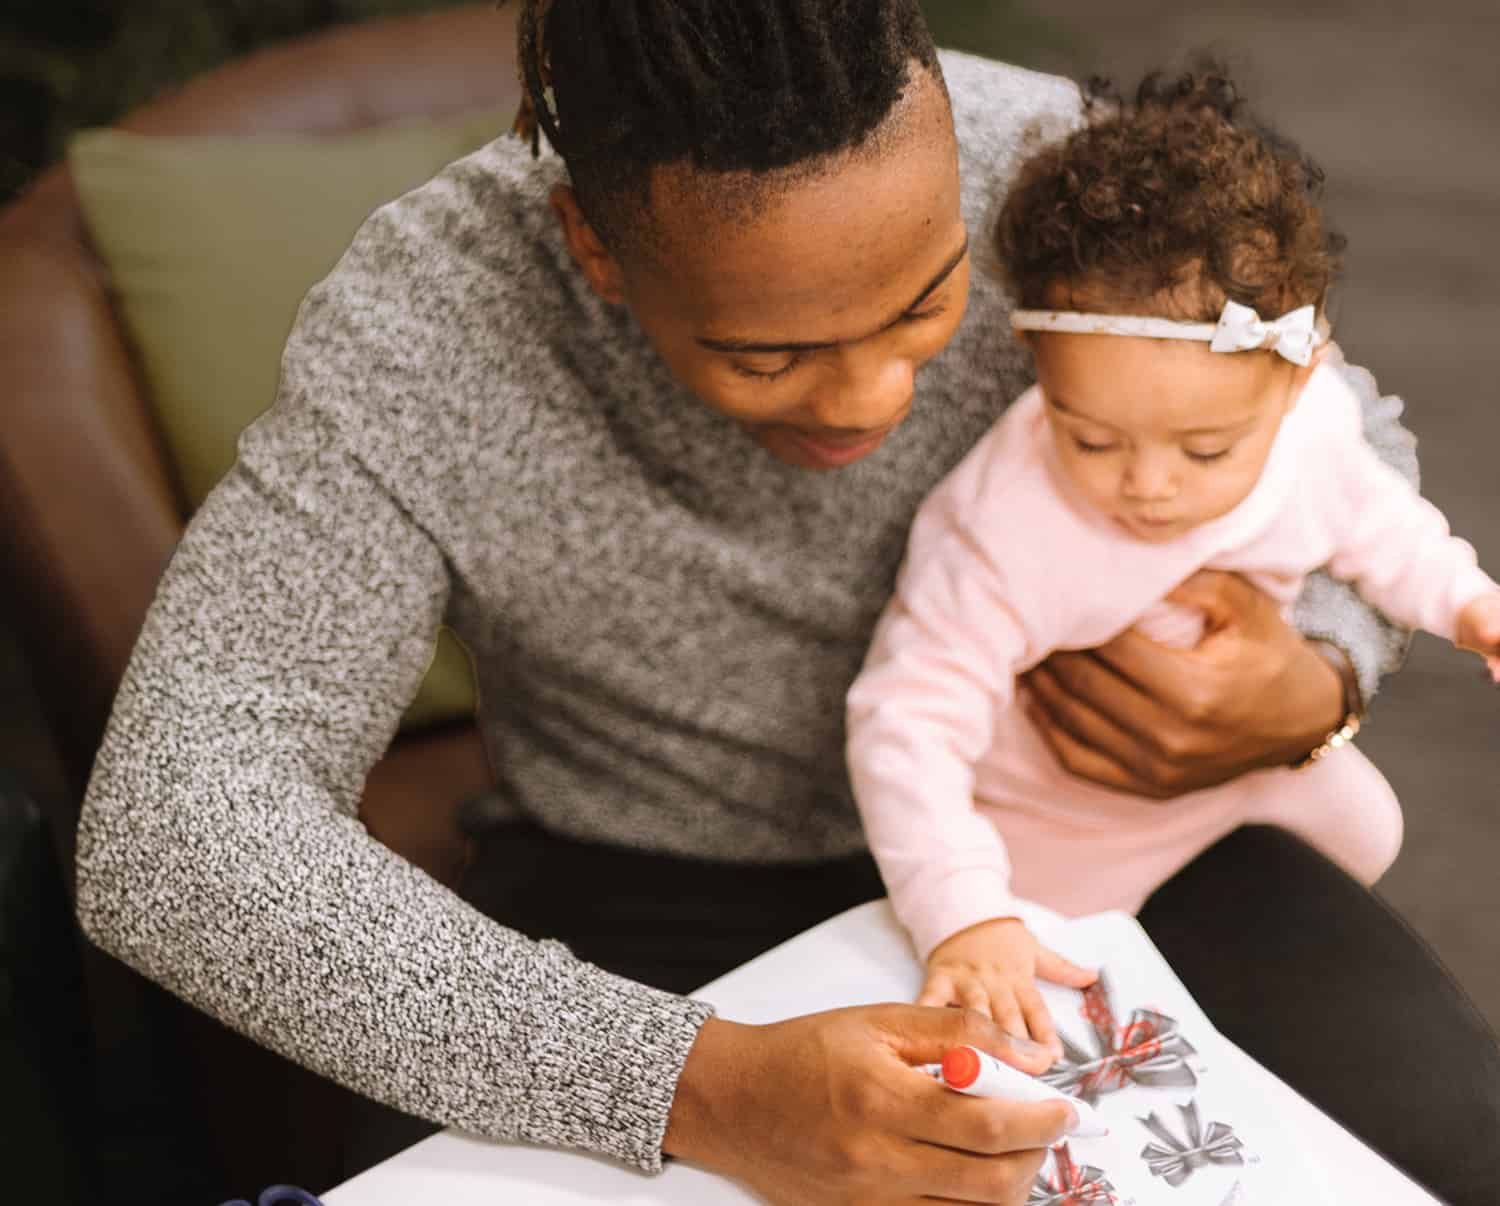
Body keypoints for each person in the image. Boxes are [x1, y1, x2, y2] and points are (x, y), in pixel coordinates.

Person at [71, 2, 1500, 1203]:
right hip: (664, 894)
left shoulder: (1057, 168)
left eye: (930, 302)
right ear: (593, 248)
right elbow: (170, 831)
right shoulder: (427, 324)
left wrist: (1321, 674)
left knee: (1447, 1146)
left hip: (1105, 825)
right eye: (772, 356)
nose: (876, 396)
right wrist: (698, 1084)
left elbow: (1332, 422)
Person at [846, 70, 1500, 1054]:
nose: (1148, 486)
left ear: (1299, 377)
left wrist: (1467, 602)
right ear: (1042, 378)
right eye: (1090, 438)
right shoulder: (999, 522)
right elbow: (907, 720)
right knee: (1042, 1011)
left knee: (1368, 827)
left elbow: (1379, 522)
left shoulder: (1312, 425)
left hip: (1231, 764)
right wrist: (967, 910)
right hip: (1052, 820)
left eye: (1204, 453)